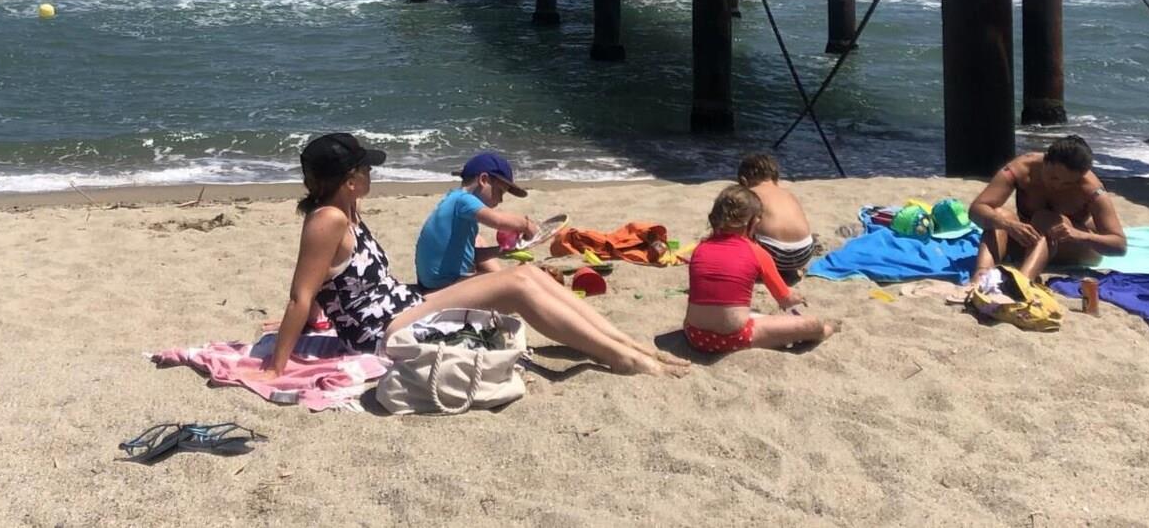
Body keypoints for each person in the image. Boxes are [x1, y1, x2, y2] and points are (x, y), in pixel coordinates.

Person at [262, 133, 688, 379]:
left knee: (532, 277)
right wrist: (275, 367)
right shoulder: (327, 220)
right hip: (380, 331)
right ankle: (621, 358)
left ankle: (625, 343)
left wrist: (316, 320)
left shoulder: (348, 211)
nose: (372, 173)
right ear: (349, 180)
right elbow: (302, 294)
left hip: (401, 305)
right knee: (517, 284)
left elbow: (327, 285)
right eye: (365, 169)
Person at [682, 185, 836, 355]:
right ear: (754, 222)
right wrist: (796, 297)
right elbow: (785, 299)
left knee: (743, 313)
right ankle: (828, 330)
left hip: (693, 334)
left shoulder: (700, 248)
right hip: (734, 337)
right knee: (812, 324)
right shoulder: (757, 252)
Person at [968, 135, 1125, 286]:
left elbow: (1119, 245)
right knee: (999, 216)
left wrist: (1080, 235)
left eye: (1068, 183)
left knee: (1045, 219)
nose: (1058, 186)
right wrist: (1008, 225)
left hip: (1074, 248)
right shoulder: (1021, 169)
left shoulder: (1092, 190)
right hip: (1028, 243)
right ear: (1045, 161)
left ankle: (1023, 282)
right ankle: (981, 277)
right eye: (1053, 177)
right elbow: (976, 210)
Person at [415, 151, 537, 290]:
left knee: (477, 239)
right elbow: (498, 220)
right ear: (483, 180)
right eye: (499, 192)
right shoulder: (464, 200)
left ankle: (498, 275)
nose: (500, 200)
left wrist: (500, 251)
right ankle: (500, 278)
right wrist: (526, 225)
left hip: (430, 282)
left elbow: (469, 255)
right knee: (514, 281)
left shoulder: (453, 199)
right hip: (444, 284)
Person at [735, 152, 815, 283]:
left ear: (743, 181)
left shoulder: (751, 194)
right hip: (804, 252)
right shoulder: (788, 194)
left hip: (775, 255)